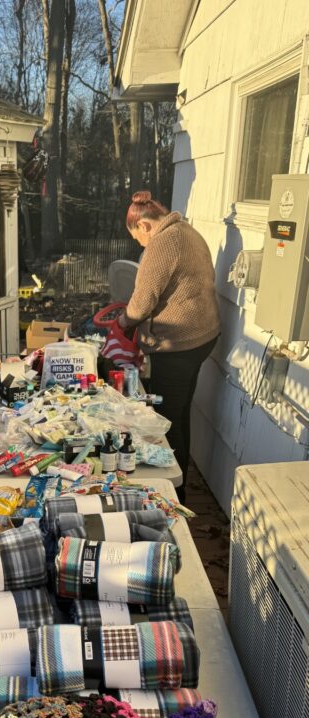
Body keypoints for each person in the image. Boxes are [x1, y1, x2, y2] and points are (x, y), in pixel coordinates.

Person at [117, 191, 221, 503]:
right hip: (202, 338)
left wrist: (123, 322)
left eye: (137, 238)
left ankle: (172, 495)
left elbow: (143, 300)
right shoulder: (187, 231)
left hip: (177, 345)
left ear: (144, 225)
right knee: (181, 411)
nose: (141, 244)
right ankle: (181, 484)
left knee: (165, 421)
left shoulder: (162, 243)